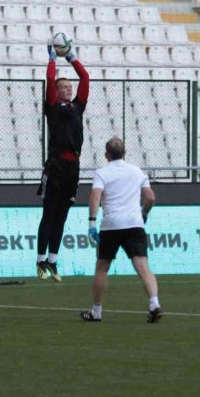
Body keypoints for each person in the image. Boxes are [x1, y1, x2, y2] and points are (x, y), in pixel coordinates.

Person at [83, 137, 162, 323]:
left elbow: (95, 195)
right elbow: (150, 198)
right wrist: (144, 214)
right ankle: (154, 303)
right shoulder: (136, 171)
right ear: (124, 152)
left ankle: (96, 311)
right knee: (143, 266)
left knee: (102, 267)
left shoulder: (102, 173)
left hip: (111, 224)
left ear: (106, 154)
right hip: (134, 223)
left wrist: (92, 223)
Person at [36, 38, 90, 282]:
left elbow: (86, 78)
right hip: (56, 165)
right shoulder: (53, 107)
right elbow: (49, 80)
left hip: (73, 167)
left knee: (63, 215)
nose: (70, 89)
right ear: (56, 92)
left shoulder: (77, 107)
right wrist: (52, 60)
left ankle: (53, 261)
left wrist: (72, 58)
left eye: (70, 86)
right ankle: (39, 261)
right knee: (49, 213)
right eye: (65, 87)